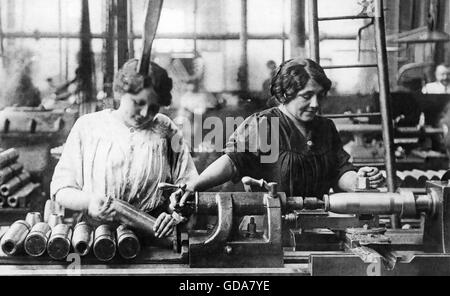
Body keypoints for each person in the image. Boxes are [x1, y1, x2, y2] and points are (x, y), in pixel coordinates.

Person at [170, 58, 384, 209]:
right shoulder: (266, 124)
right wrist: (195, 185)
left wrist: (358, 180)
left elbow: (340, 171)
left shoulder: (325, 128)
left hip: (318, 225)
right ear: (285, 95)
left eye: (320, 96)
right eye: (307, 96)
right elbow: (231, 162)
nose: (316, 104)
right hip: (270, 231)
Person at [50, 59, 198, 238]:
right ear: (121, 92)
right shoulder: (88, 126)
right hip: (94, 236)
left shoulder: (165, 129)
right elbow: (61, 189)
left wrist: (174, 215)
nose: (144, 114)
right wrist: (88, 202)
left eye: (153, 107)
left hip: (152, 235)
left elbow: (189, 186)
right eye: (138, 102)